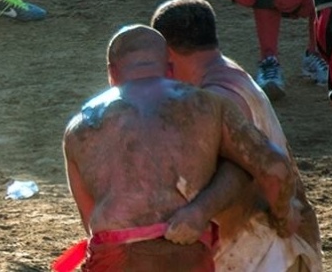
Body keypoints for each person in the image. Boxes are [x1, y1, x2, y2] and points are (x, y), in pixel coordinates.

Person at [62, 25, 298, 271]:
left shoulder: (79, 127)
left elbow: (92, 227)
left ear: (112, 73)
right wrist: (285, 216)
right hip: (187, 251)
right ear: (169, 68)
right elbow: (275, 169)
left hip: (115, 256)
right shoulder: (210, 105)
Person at [151, 0, 322, 270]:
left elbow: (251, 168)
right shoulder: (230, 74)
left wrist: (281, 213)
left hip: (265, 255)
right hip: (271, 253)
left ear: (166, 52)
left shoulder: (215, 98)